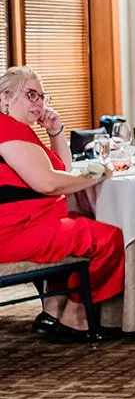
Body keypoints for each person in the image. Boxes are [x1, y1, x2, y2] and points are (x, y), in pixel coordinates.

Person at [0, 66, 123, 342]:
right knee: (108, 239)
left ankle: (54, 310)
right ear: (5, 97)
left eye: (42, 97)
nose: (39, 103)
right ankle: (75, 314)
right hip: (14, 231)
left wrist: (56, 132)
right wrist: (96, 176)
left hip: (29, 224)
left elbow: (61, 169)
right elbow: (49, 184)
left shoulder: (18, 131)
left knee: (79, 223)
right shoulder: (5, 128)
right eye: (31, 95)